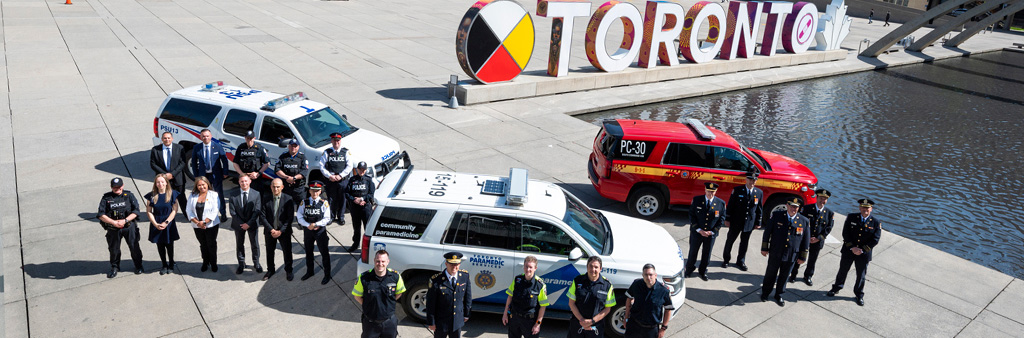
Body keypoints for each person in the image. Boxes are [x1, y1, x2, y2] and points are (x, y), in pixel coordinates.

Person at [827, 199, 883, 306]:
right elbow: (845, 233)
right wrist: (852, 247)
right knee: (843, 270)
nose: (865, 209)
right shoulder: (851, 217)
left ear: (871, 209)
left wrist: (861, 250)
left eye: (867, 208)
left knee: (861, 275)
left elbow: (875, 239)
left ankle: (859, 294)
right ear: (859, 208)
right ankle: (836, 288)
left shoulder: (876, 222)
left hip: (863, 254)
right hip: (849, 251)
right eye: (863, 207)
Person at [759, 198, 810, 306]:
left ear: (799, 208)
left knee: (784, 276)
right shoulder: (777, 215)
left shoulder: (804, 221)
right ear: (787, 205)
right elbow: (767, 232)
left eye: (796, 207)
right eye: (791, 206)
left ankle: (779, 295)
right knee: (770, 274)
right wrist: (764, 248)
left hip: (792, 254)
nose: (793, 209)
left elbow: (805, 240)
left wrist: (803, 256)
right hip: (776, 251)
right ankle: (765, 293)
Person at [352, 250, 407, 338]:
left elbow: (399, 293)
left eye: (383, 261)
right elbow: (357, 296)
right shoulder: (364, 278)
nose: (380, 264)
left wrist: (388, 304)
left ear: (388, 262)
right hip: (371, 323)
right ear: (374, 261)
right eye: (378, 261)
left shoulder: (396, 277)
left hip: (389, 322)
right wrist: (369, 305)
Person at [97, 177, 144, 278]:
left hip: (128, 227)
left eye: (119, 187)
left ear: (122, 186)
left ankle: (138, 266)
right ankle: (115, 267)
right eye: (114, 187)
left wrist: (125, 220)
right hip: (113, 229)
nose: (117, 189)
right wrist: (113, 222)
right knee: (114, 249)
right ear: (111, 187)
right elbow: (101, 214)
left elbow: (136, 211)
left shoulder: (129, 195)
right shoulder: (106, 198)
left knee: (134, 247)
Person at [790, 189, 834, 286]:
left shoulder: (829, 213)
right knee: (798, 257)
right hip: (804, 239)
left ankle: (808, 276)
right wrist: (804, 237)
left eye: (825, 199)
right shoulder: (806, 209)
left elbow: (828, 228)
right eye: (821, 198)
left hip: (817, 241)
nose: (822, 201)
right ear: (817, 198)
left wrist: (818, 238)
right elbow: (799, 223)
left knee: (812, 259)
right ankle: (793, 274)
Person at [722, 170, 763, 271]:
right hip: (736, 221)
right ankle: (726, 259)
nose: (751, 182)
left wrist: (758, 222)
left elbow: (759, 209)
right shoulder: (737, 190)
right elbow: (730, 205)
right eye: (749, 179)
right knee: (730, 241)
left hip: (749, 223)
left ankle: (741, 261)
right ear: (746, 179)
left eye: (754, 180)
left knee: (744, 243)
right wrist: (727, 219)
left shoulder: (759, 193)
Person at [686, 182, 726, 281]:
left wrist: (712, 232)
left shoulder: (721, 203)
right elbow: (692, 216)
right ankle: (689, 269)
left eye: (713, 192)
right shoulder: (697, 200)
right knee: (693, 252)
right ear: (705, 190)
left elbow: (721, 219)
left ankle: (703, 271)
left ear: (716, 192)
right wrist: (699, 230)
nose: (710, 194)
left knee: (707, 254)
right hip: (697, 233)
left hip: (710, 235)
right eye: (708, 191)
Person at [567, 256, 616, 338]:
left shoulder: (607, 285)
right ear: (587, 267)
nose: (593, 269)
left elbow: (607, 308)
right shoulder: (577, 281)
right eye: (591, 266)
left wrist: (591, 321)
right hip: (577, 324)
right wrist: (582, 320)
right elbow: (571, 303)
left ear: (600, 269)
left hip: (596, 327)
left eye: (596, 267)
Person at [426, 252, 472, 338]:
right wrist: (431, 322)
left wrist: (466, 314)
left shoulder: (464, 276)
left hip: (457, 321)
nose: (454, 267)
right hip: (441, 322)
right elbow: (430, 303)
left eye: (457, 264)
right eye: (451, 264)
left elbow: (468, 297)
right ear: (446, 264)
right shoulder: (436, 280)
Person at [502, 255, 549, 338]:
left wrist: (538, 324)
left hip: (530, 322)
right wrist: (505, 314)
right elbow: (510, 297)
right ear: (523, 266)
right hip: (514, 319)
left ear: (535, 268)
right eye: (526, 266)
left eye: (530, 267)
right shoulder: (517, 280)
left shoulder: (540, 285)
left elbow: (543, 306)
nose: (528, 269)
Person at [144, 175, 181, 275]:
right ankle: (164, 265)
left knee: (169, 244)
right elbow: (149, 211)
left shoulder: (172, 194)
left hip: (168, 222)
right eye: (158, 182)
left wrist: (166, 222)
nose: (160, 184)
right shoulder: (151, 196)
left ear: (166, 183)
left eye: (162, 182)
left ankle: (171, 263)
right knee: (160, 245)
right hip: (157, 222)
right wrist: (155, 224)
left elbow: (175, 210)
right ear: (155, 184)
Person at [623, 264, 673, 338]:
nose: (648, 277)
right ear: (643, 275)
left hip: (651, 330)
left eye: (651, 274)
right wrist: (626, 317)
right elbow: (629, 299)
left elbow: (668, 310)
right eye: (646, 275)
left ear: (655, 275)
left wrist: (663, 328)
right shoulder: (636, 284)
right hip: (634, 325)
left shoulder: (663, 291)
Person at [259, 178, 295, 281]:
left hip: (284, 232)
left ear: (282, 187)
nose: (275, 189)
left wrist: (281, 231)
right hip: (270, 232)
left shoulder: (288, 199)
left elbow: (290, 218)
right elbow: (262, 216)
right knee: (269, 252)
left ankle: (289, 270)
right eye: (273, 186)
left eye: (278, 187)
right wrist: (271, 230)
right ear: (270, 187)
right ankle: (270, 270)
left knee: (287, 252)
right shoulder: (266, 198)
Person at [298, 181, 333, 285]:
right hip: (308, 231)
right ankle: (310, 271)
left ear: (320, 191)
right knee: (308, 252)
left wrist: (316, 224)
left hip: (320, 232)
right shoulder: (304, 202)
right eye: (313, 191)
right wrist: (307, 224)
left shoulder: (324, 203)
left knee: (324, 253)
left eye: (317, 191)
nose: (314, 193)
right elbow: (299, 215)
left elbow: (327, 218)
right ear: (309, 191)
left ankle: (327, 274)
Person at [191, 129, 230, 220]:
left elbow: (224, 160)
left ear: (211, 136)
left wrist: (225, 172)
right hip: (203, 176)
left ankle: (223, 213)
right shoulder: (197, 147)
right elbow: (193, 162)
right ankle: (206, 214)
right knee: (204, 194)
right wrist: (196, 175)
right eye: (203, 136)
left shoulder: (217, 146)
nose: (205, 138)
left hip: (216, 175)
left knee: (219, 194)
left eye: (207, 136)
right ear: (201, 137)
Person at [187, 176, 221, 272]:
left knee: (211, 244)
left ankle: (213, 263)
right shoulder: (192, 195)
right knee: (203, 244)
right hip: (197, 225)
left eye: (203, 184)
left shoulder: (214, 195)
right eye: (199, 185)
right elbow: (188, 210)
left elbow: (215, 210)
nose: (202, 187)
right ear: (196, 186)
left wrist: (205, 222)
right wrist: (198, 222)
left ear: (207, 184)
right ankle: (205, 262)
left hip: (211, 225)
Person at [230, 175, 263, 274]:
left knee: (255, 244)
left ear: (250, 181)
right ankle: (241, 264)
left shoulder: (256, 194)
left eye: (245, 181)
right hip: (238, 224)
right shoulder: (233, 194)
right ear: (239, 182)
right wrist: (241, 224)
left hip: (251, 224)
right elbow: (232, 212)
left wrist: (248, 224)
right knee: (239, 244)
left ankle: (256, 263)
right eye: (241, 182)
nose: (244, 183)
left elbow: (257, 210)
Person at [318, 132, 353, 226]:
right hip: (331, 180)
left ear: (340, 141)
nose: (336, 142)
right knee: (331, 199)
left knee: (343, 199)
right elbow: (321, 166)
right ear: (331, 141)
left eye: (338, 140)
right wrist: (330, 176)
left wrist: (341, 175)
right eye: (334, 140)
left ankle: (341, 217)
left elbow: (350, 166)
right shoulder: (327, 152)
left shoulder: (345, 152)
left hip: (342, 180)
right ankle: (331, 217)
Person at [149, 131, 188, 212]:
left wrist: (172, 174)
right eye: (165, 138)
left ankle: (187, 215)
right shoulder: (155, 150)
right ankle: (168, 214)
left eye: (169, 138)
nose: (167, 140)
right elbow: (153, 164)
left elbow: (182, 163)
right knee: (165, 198)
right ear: (162, 139)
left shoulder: (179, 148)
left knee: (182, 198)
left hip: (177, 178)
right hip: (163, 180)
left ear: (172, 139)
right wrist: (164, 175)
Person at [346, 161, 375, 252]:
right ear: (357, 169)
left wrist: (363, 199)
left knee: (368, 227)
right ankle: (355, 244)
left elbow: (371, 193)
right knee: (356, 227)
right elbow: (347, 193)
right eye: (360, 169)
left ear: (366, 170)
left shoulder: (369, 180)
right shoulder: (352, 180)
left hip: (365, 207)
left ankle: (368, 246)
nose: (361, 171)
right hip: (355, 207)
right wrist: (354, 199)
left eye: (363, 169)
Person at [233, 130, 271, 194]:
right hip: (244, 178)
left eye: (251, 138)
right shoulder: (241, 148)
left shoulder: (259, 148)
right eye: (247, 138)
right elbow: (235, 163)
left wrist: (258, 173)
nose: (249, 140)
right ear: (245, 138)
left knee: (257, 196)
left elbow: (267, 163)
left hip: (256, 178)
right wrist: (242, 174)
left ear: (254, 138)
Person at [276, 139, 309, 203]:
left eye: (295, 146)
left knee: (301, 208)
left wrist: (294, 178)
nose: (293, 148)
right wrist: (286, 177)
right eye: (292, 146)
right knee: (285, 207)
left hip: (298, 188)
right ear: (289, 146)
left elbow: (304, 171)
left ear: (298, 147)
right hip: (286, 187)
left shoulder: (302, 157)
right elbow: (277, 169)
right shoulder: (283, 156)